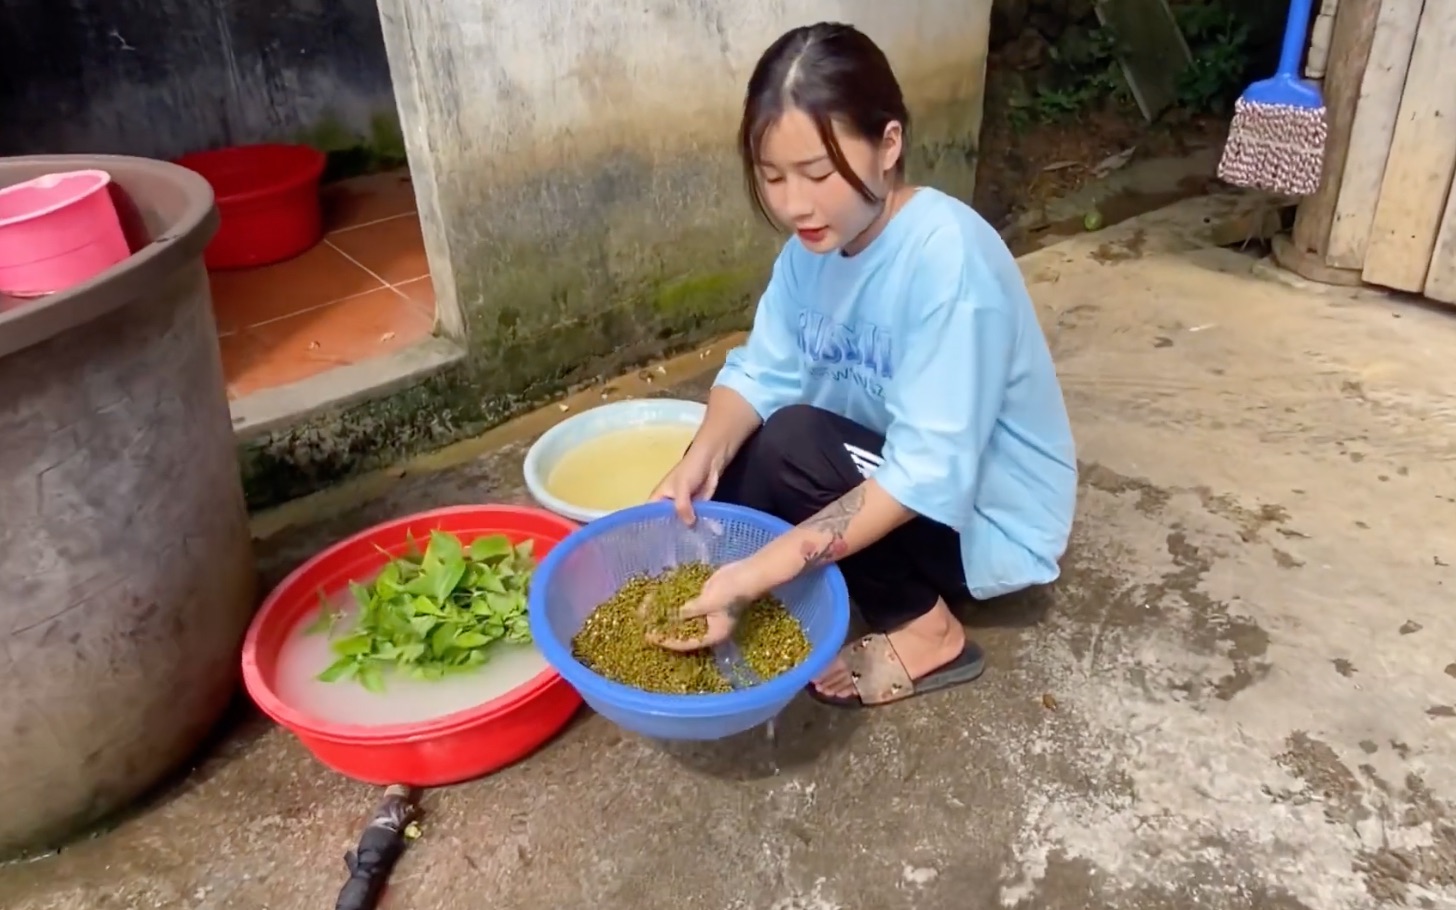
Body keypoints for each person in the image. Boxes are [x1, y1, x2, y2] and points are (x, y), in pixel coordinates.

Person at [647, 22, 1078, 709]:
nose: (793, 204)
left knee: (792, 445)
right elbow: (761, 374)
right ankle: (721, 589)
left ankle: (929, 631)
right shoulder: (809, 254)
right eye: (772, 177)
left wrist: (761, 570)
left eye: (818, 174)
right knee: (734, 469)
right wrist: (701, 456)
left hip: (981, 520)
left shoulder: (946, 258)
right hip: (881, 464)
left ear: (888, 145)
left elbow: (924, 473)